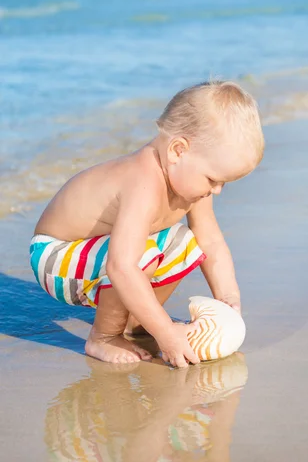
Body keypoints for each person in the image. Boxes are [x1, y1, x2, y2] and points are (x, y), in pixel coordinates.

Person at [30, 81, 264, 367]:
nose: (217, 190)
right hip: (55, 257)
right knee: (141, 253)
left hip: (98, 254)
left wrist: (228, 297)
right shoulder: (142, 180)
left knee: (185, 242)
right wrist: (166, 333)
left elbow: (210, 241)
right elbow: (122, 266)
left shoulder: (191, 180)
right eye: (213, 180)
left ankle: (136, 323)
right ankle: (103, 337)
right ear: (178, 150)